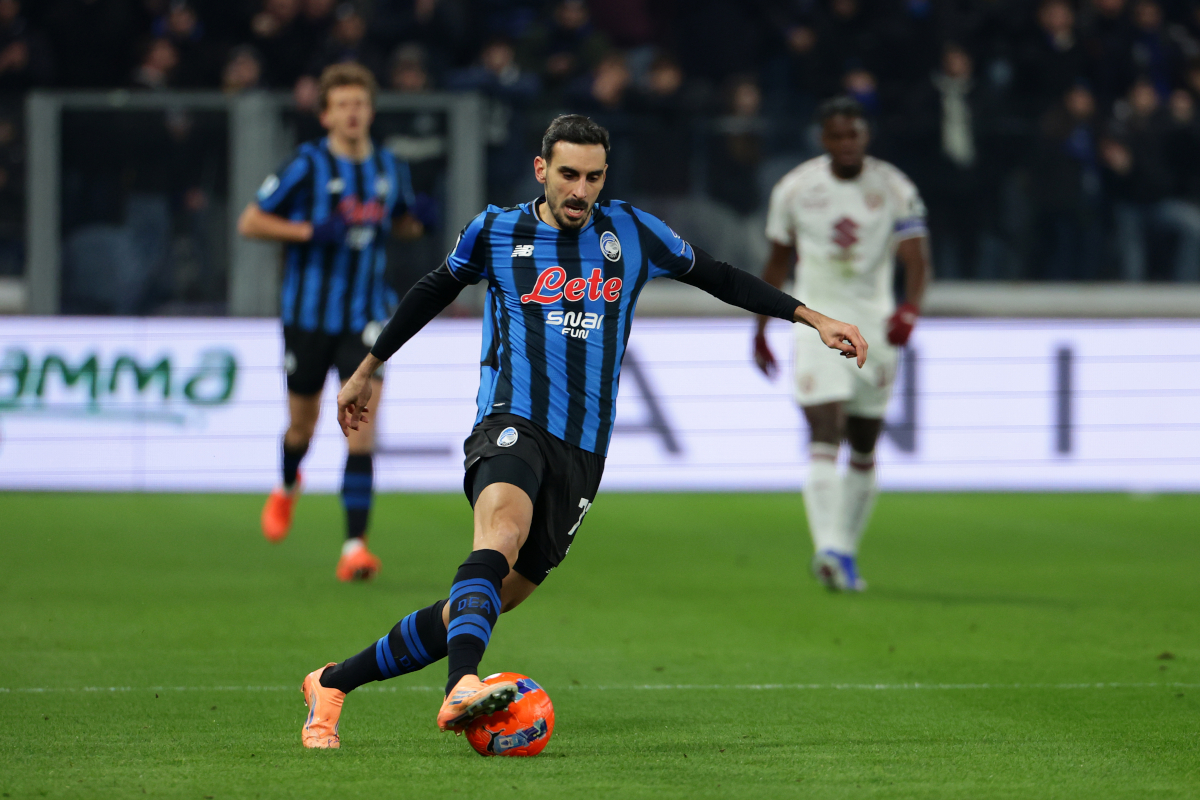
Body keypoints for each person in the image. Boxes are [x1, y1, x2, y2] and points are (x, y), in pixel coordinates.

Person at [298, 114, 868, 748]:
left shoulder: (632, 231)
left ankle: (332, 681)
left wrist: (811, 317)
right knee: (502, 530)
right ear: (542, 169)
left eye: (592, 177)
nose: (579, 190)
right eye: (567, 174)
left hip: (584, 447)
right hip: (510, 420)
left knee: (493, 599)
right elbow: (433, 289)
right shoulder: (495, 229)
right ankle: (462, 684)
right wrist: (368, 367)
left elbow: (720, 275)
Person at [237, 62, 422, 581]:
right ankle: (287, 486)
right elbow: (250, 220)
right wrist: (307, 232)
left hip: (366, 316)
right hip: (308, 315)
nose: (352, 112)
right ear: (325, 114)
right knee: (303, 424)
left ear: (371, 110)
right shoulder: (306, 164)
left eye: (359, 103)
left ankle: (354, 547)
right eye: (341, 104)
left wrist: (416, 221)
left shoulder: (389, 167)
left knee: (359, 432)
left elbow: (401, 223)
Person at [752, 97, 929, 592]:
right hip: (815, 320)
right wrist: (761, 327)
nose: (847, 144)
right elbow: (777, 261)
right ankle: (829, 548)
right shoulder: (795, 189)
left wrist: (909, 308)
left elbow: (917, 259)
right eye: (838, 136)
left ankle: (843, 550)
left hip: (874, 323)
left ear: (865, 137)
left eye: (855, 135)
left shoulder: (894, 188)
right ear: (823, 139)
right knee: (825, 429)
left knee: (866, 442)